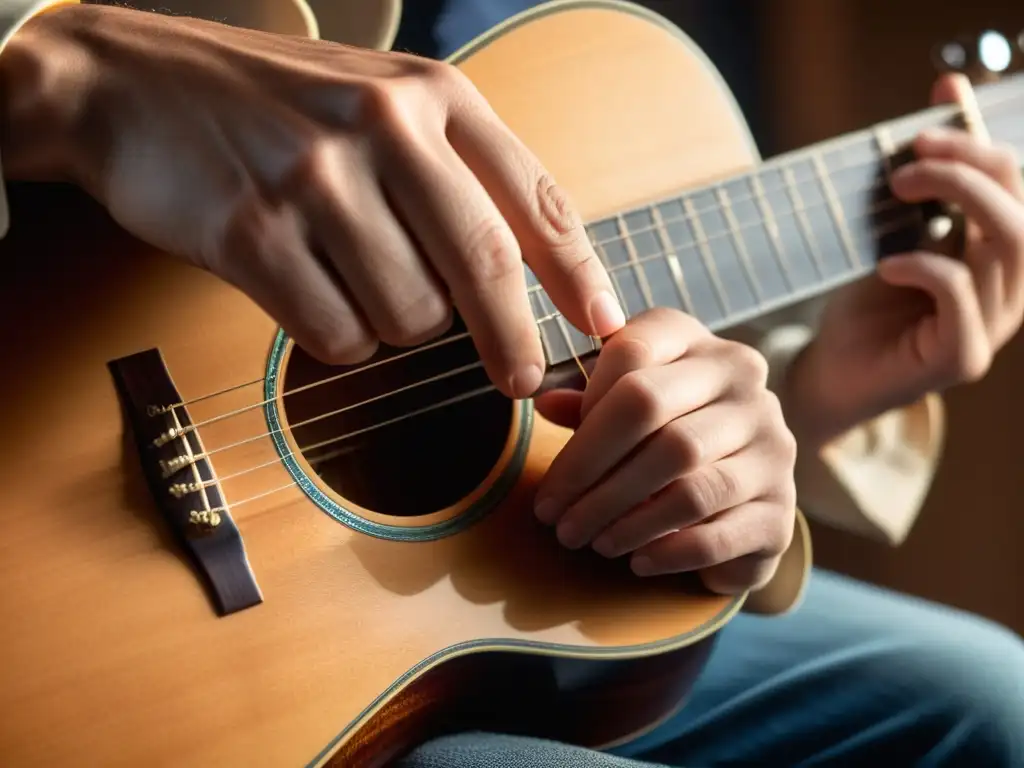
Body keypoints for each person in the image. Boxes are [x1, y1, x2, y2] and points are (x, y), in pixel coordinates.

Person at [0, 1, 1021, 765]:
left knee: (987, 703)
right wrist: (64, 65)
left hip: (383, 613)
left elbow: (538, 343)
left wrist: (794, 402)